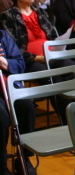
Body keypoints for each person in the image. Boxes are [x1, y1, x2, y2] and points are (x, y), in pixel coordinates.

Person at [0, 0, 75, 124]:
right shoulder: (8, 16)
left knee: (72, 68)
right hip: (30, 61)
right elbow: (13, 49)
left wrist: (57, 48)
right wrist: (36, 58)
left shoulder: (40, 11)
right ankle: (68, 120)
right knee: (52, 77)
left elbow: (53, 35)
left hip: (51, 55)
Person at [0, 29, 37, 175]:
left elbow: (20, 63)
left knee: (27, 106)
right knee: (1, 117)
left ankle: (23, 158)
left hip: (9, 85)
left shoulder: (2, 35)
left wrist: (4, 62)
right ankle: (1, 166)